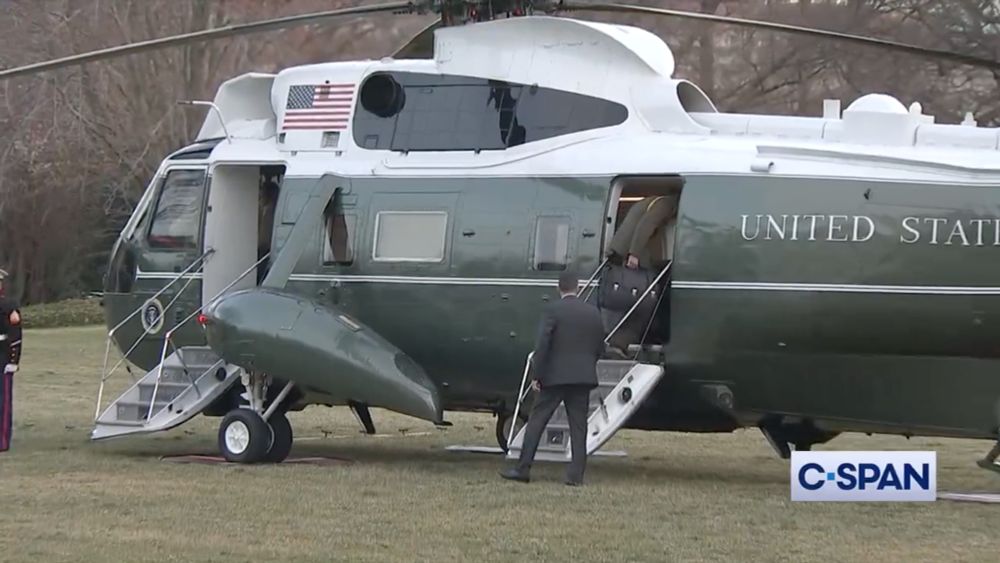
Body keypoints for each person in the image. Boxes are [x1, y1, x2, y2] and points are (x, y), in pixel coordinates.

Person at [500, 271, 605, 486]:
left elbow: (543, 345)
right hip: (582, 378)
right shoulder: (593, 313)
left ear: (559, 288)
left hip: (555, 377)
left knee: (537, 421)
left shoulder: (553, 311)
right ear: (578, 286)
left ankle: (523, 468)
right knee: (578, 427)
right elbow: (599, 346)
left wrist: (537, 375)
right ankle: (575, 475)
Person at [0, 269, 22, 453]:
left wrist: (13, 360)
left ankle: (2, 440)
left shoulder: (8, 306)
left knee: (3, 400)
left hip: (2, 355)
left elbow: (15, 334)